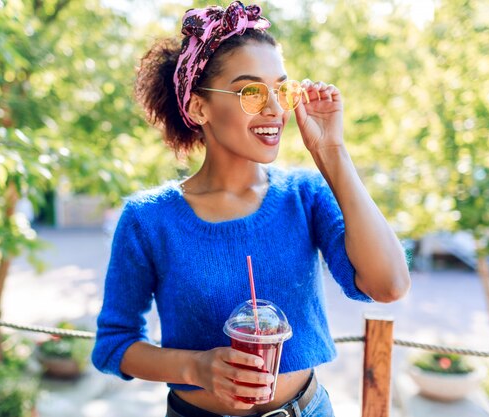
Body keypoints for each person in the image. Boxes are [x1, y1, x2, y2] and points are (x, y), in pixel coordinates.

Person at [91, 2, 411, 416]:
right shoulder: (148, 219)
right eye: (252, 92)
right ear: (198, 108)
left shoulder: (306, 194)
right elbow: (114, 344)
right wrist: (197, 367)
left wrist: (332, 153)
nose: (275, 110)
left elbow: (388, 285)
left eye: (281, 90)